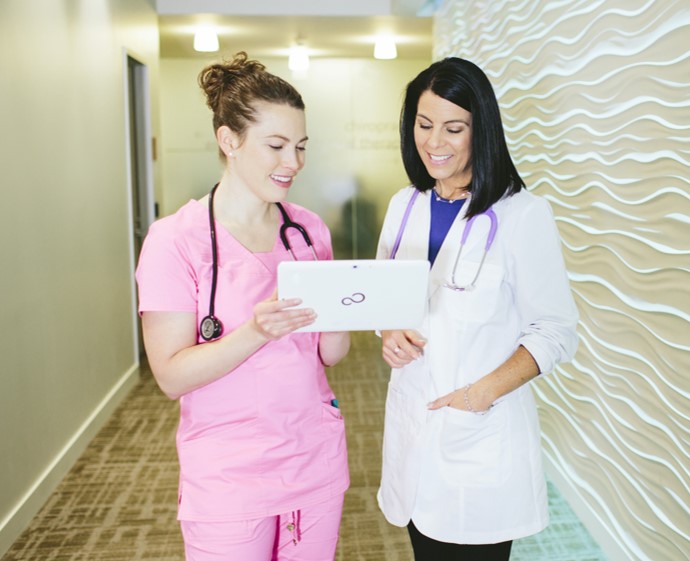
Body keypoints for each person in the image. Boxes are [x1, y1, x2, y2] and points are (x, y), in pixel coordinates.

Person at [134, 52, 350, 561]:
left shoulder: (308, 230)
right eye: (275, 145)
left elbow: (328, 356)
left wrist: (353, 307)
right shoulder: (174, 241)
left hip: (312, 460)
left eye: (300, 147)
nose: (293, 162)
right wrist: (255, 331)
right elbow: (171, 376)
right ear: (228, 141)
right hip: (229, 475)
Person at [375, 57, 579, 561]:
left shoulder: (522, 214)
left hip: (477, 441)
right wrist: (389, 332)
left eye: (454, 127)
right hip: (413, 434)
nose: (434, 142)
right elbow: (385, 295)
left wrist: (479, 395)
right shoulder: (405, 204)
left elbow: (555, 332)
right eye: (424, 125)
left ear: (480, 130)